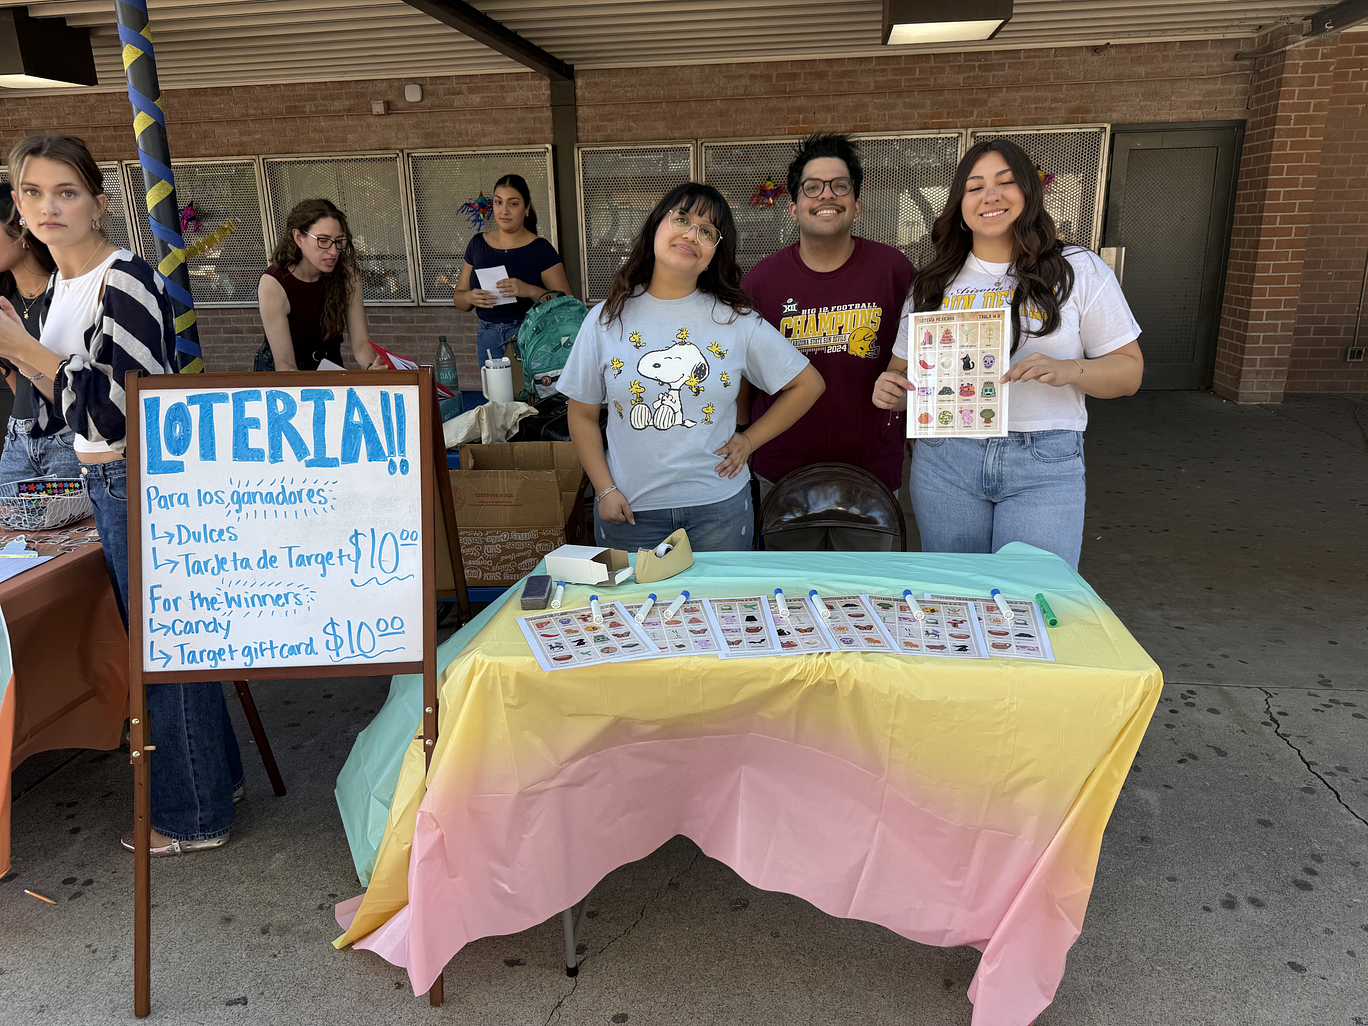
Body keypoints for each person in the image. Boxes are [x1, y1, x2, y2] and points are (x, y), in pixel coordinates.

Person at [0, 134, 243, 855]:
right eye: (34, 193)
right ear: (17, 204)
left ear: (100, 202)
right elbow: (55, 413)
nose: (50, 206)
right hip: (103, 478)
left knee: (161, 649)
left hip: (137, 476)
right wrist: (22, 353)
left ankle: (192, 817)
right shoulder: (58, 292)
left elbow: (123, 411)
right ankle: (211, 786)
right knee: (169, 644)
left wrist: (24, 351)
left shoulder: (123, 278)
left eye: (66, 191)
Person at [872, 139, 1143, 570]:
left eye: (1006, 182)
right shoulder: (932, 283)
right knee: (956, 602)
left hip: (1044, 460)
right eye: (975, 186)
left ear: (1030, 192)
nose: (990, 196)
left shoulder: (1077, 269)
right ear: (960, 203)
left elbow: (1129, 373)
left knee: (1035, 600)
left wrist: (1070, 370)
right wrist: (890, 390)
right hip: (946, 460)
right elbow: (902, 375)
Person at [559, 183, 825, 552]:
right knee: (636, 612)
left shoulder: (735, 319)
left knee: (722, 610)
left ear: (715, 252)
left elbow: (808, 384)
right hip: (629, 509)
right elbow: (582, 414)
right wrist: (603, 488)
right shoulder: (606, 318)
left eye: (707, 232)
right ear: (656, 226)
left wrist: (749, 441)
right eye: (681, 218)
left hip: (718, 509)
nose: (691, 234)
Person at [740, 133, 915, 549]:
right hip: (782, 472)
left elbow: (919, 355)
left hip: (871, 471)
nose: (827, 195)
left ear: (857, 204)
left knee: (865, 602)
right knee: (788, 601)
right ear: (794, 206)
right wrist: (743, 437)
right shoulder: (761, 281)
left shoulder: (893, 269)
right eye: (812, 187)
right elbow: (743, 377)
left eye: (840, 185)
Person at [0, 183, 80, 485]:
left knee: (76, 532)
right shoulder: (4, 300)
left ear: (19, 231)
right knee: (12, 530)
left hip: (68, 438)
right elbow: (15, 379)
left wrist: (26, 357)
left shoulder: (69, 292)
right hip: (17, 438)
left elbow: (77, 382)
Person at [451, 174, 572, 364]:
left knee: (530, 394)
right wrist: (470, 297)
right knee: (495, 394)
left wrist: (529, 290)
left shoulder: (540, 249)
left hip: (530, 334)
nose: (504, 211)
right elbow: (459, 298)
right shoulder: (478, 244)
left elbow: (567, 304)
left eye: (513, 204)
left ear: (527, 208)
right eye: (499, 203)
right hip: (488, 335)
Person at [257, 197, 385, 371]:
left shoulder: (347, 275)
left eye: (339, 242)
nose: (333, 252)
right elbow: (285, 365)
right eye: (323, 241)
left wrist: (373, 367)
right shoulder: (275, 283)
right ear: (298, 237)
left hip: (329, 363)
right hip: (283, 372)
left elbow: (361, 344)